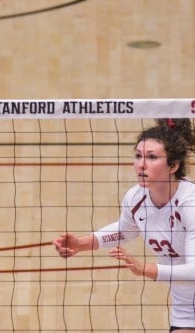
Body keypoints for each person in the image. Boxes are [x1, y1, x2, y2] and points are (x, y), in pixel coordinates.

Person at [53, 118, 195, 332]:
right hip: (186, 304)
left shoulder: (190, 204)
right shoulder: (136, 197)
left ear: (173, 166)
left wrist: (144, 269)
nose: (141, 164)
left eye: (152, 157)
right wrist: (81, 244)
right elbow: (125, 231)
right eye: (138, 156)